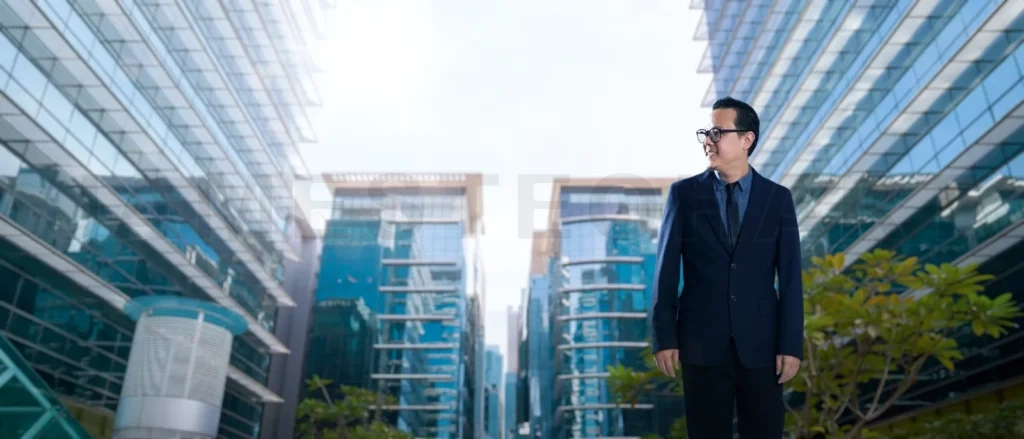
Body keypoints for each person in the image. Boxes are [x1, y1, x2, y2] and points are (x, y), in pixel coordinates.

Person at [649, 96, 804, 438]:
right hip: (701, 345)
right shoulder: (684, 195)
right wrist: (664, 337)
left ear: (747, 139)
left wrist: (791, 344)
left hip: (763, 347)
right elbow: (665, 272)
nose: (708, 140)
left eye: (718, 132)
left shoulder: (778, 199)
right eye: (706, 132)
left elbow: (791, 278)